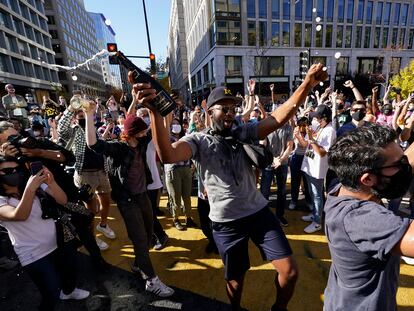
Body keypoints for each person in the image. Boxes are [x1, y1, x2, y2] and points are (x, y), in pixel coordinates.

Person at [137, 63, 327, 311]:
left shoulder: (244, 131)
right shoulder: (198, 140)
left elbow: (278, 117)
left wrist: (306, 84)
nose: (230, 113)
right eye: (224, 108)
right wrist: (155, 114)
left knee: (290, 272)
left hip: (259, 213)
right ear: (210, 111)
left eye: (233, 108)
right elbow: (169, 155)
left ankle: (279, 308)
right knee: (236, 281)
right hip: (226, 222)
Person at [84, 104, 174, 298]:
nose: (146, 133)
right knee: (140, 240)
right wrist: (89, 114)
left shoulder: (141, 143)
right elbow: (93, 144)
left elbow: (160, 129)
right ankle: (152, 281)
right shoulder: (118, 149)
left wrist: (156, 108)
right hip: (127, 200)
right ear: (133, 133)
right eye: (142, 131)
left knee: (149, 235)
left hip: (143, 196)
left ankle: (137, 263)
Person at [324, 123, 414, 311]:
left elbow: (404, 162)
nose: (406, 167)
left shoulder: (346, 187)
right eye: (400, 164)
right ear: (368, 179)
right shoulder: (360, 218)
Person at [0, 158, 89, 310]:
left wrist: (51, 182)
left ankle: (68, 292)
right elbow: (19, 215)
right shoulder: (3, 199)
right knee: (52, 293)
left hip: (58, 242)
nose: (14, 173)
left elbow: (63, 200)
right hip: (33, 254)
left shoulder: (34, 187)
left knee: (70, 273)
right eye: (7, 172)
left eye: (17, 169)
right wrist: (30, 188)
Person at [298, 104, 336, 233]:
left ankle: (317, 222)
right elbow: (304, 123)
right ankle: (314, 214)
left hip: (317, 168)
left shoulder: (330, 131)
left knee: (317, 195)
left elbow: (322, 153)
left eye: (318, 117)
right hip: (310, 165)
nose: (316, 120)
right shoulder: (321, 126)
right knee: (312, 192)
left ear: (325, 118)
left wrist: (312, 139)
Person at [260, 121, 293, 226]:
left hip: (282, 163)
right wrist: (272, 158)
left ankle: (280, 216)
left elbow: (289, 146)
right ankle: (263, 217)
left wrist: (281, 159)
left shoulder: (288, 128)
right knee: (264, 191)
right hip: (268, 163)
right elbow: (263, 145)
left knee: (282, 191)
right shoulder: (269, 125)